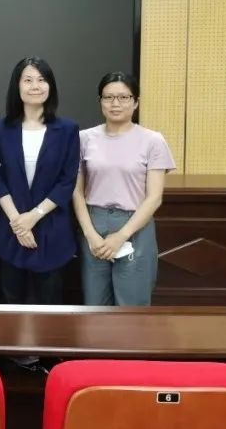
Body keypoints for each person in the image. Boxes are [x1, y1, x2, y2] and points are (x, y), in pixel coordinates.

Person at [73, 71, 175, 306]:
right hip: (93, 225)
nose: (115, 103)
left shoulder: (153, 141)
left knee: (132, 307)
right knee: (95, 305)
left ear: (135, 102)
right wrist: (90, 234)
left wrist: (121, 235)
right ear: (100, 101)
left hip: (134, 226)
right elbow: (76, 191)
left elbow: (154, 198)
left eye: (123, 97)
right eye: (108, 97)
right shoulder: (84, 138)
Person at [0, 57, 80, 306]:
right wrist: (18, 223)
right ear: (17, 86)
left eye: (42, 80)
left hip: (51, 227)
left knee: (50, 304)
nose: (35, 86)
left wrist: (34, 216)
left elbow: (67, 181)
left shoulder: (68, 129)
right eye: (28, 80)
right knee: (10, 302)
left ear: (50, 86)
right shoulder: (1, 128)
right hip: (11, 228)